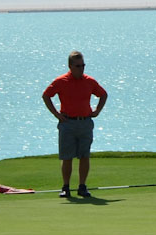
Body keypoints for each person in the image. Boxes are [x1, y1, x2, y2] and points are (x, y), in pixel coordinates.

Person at [42, 51, 108, 198]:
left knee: (84, 156)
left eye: (83, 65)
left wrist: (97, 111)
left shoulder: (89, 81)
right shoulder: (61, 81)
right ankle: (66, 187)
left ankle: (82, 186)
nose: (81, 68)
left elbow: (103, 94)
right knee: (67, 157)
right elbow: (46, 95)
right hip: (67, 123)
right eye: (78, 66)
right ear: (70, 66)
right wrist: (56, 114)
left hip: (85, 122)